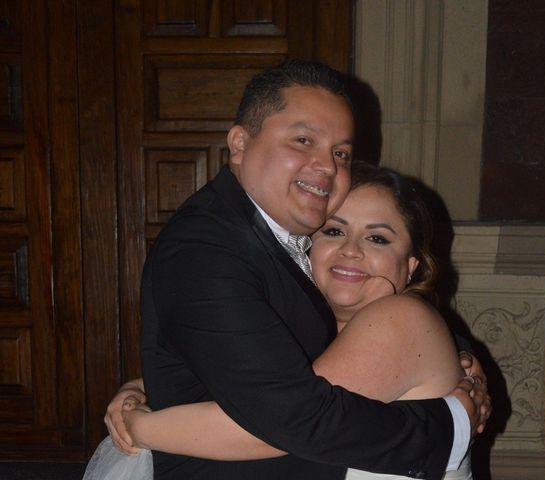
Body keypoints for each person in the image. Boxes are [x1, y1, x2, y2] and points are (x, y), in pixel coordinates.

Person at [104, 60, 489, 480]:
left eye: (340, 152)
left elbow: (293, 395)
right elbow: (291, 408)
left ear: (412, 265)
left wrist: (144, 424)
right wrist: (452, 420)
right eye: (303, 140)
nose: (326, 165)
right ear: (239, 143)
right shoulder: (206, 249)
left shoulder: (277, 240)